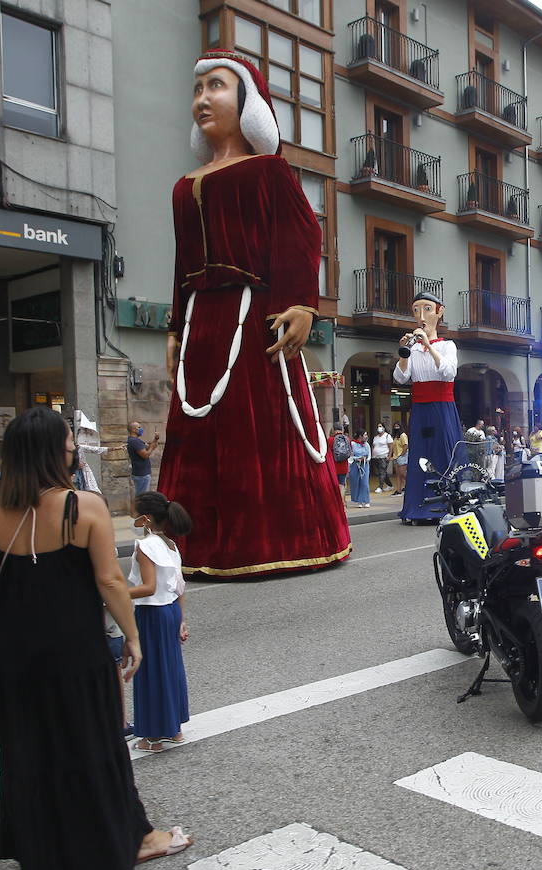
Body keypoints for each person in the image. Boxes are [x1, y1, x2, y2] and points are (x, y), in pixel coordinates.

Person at [0, 407, 190, 870]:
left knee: (28, 747)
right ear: (52, 451)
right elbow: (110, 582)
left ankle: (42, 853)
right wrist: (132, 637)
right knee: (94, 743)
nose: (73, 448)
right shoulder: (82, 507)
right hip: (74, 647)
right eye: (69, 442)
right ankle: (131, 838)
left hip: (10, 648)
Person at [160, 51, 350, 576]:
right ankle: (196, 545)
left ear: (245, 99)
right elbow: (182, 262)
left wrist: (300, 304)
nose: (202, 99)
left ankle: (277, 540)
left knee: (260, 425)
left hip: (253, 317)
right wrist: (177, 323)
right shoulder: (184, 186)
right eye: (197, 89)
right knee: (198, 434)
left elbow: (301, 234)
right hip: (202, 324)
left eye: (215, 86)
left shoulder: (269, 172)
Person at [127, 491, 193, 754]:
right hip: (170, 611)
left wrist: (114, 592)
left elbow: (147, 587)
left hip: (151, 613)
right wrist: (181, 620)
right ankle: (174, 729)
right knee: (170, 668)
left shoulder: (144, 546)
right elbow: (179, 587)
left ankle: (151, 736)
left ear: (144, 518)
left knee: (151, 673)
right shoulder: (171, 545)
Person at [394, 293, 464, 524]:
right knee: (420, 455)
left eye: (426, 309)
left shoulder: (447, 345)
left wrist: (428, 345)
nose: (421, 316)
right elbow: (401, 377)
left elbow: (449, 372)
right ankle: (417, 506)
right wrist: (405, 353)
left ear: (439, 311)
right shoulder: (412, 350)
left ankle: (448, 504)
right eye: (416, 310)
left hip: (442, 407)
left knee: (444, 452)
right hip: (421, 408)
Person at [72, 411, 109, 494]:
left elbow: (96, 449)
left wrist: (115, 448)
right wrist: (74, 465)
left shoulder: (80, 447)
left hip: (80, 474)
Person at [126, 421, 161, 499]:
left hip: (142, 473)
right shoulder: (134, 441)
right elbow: (145, 455)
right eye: (139, 427)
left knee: (141, 496)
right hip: (141, 474)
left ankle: (138, 510)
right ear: (133, 430)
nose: (141, 429)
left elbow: (148, 447)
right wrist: (152, 447)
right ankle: (138, 511)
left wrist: (155, 439)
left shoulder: (136, 440)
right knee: (141, 498)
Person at [347, 430, 372, 508]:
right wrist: (356, 458)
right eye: (365, 435)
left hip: (364, 465)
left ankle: (366, 500)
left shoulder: (366, 445)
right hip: (355, 465)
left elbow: (369, 455)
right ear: (360, 436)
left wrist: (365, 459)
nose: (366, 436)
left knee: (365, 483)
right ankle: (359, 501)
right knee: (356, 482)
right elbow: (350, 455)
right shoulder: (352, 444)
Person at [371, 423, 393, 493]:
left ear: (383, 427)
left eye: (380, 426)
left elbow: (391, 446)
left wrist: (389, 456)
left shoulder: (387, 436)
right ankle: (390, 485)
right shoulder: (376, 437)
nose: (379, 428)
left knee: (382, 471)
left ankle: (380, 486)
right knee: (382, 472)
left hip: (384, 456)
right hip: (376, 457)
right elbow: (373, 446)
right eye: (378, 426)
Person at [390, 422, 408, 495]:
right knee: (398, 475)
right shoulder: (395, 436)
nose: (396, 427)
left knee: (403, 474)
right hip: (396, 457)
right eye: (395, 426)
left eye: (397, 426)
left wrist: (402, 454)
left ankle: (409, 486)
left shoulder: (403, 435)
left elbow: (405, 446)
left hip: (401, 457)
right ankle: (398, 490)